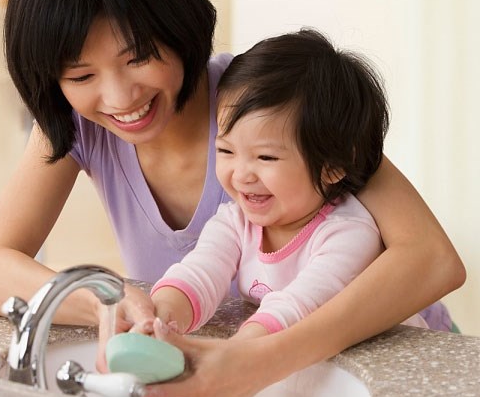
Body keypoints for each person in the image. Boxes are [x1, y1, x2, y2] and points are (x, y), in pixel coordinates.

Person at [0, 0, 465, 397]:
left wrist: (259, 359)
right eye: (81, 74)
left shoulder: (268, 103)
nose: (118, 98)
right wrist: (108, 304)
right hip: (250, 371)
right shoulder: (77, 125)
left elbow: (432, 259)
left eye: (138, 57)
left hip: (396, 362)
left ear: (177, 24)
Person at [148, 29, 428, 339]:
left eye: (266, 157)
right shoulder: (235, 221)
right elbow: (199, 274)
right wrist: (158, 319)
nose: (241, 175)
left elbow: (296, 310)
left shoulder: (349, 233)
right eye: (226, 151)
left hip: (390, 361)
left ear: (333, 166)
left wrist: (236, 352)